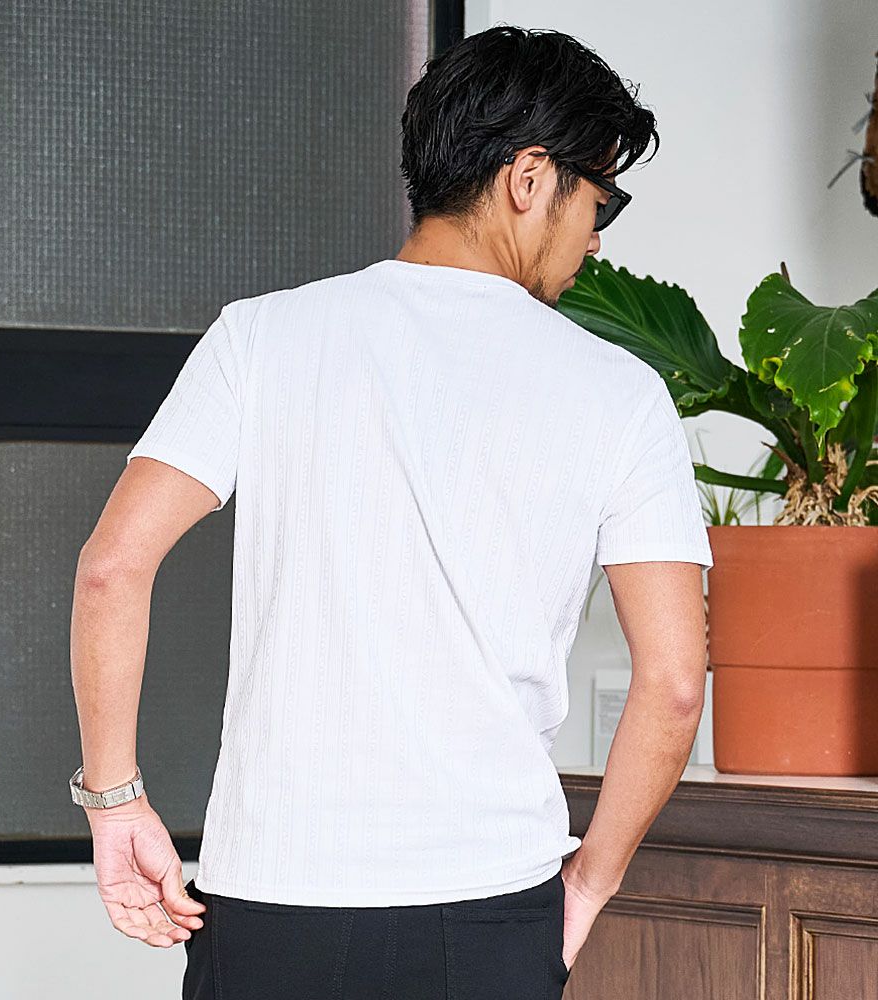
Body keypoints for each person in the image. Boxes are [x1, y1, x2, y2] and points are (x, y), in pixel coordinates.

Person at [69, 23, 713, 1000]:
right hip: (489, 905)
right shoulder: (619, 393)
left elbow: (111, 567)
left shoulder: (261, 337)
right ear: (528, 178)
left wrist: (115, 802)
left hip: (270, 899)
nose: (595, 236)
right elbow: (671, 685)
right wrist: (589, 883)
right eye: (601, 199)